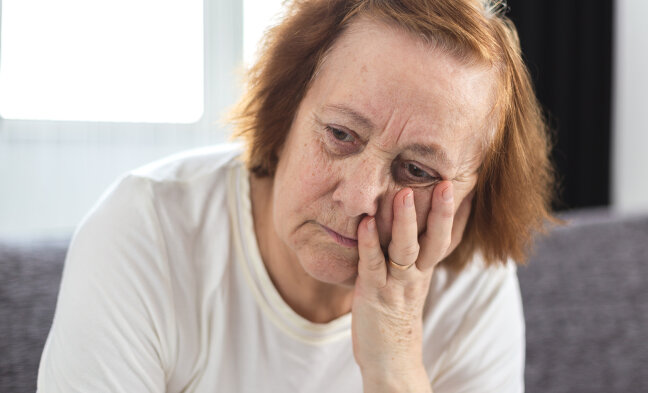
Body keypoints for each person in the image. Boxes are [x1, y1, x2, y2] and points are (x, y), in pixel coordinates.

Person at [37, 0, 555, 391]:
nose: (359, 197)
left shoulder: (472, 284)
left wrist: (394, 359)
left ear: (469, 197)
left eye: (416, 170)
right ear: (286, 112)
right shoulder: (143, 230)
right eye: (340, 135)